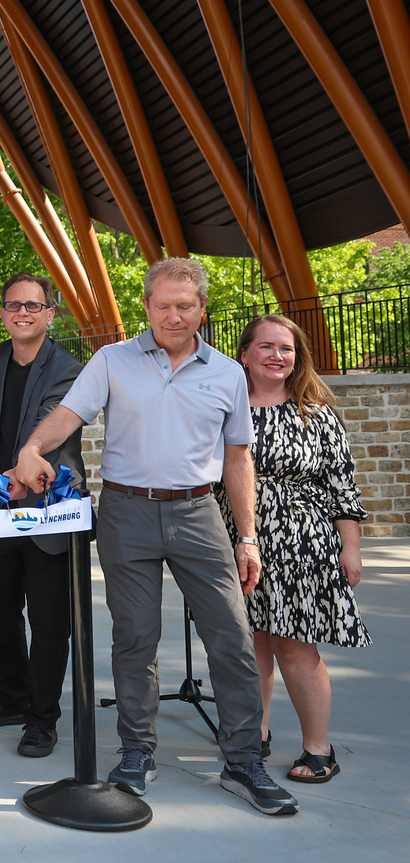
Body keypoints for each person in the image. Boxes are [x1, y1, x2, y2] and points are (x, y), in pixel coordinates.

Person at [11, 256, 299, 816]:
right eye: (163, 305)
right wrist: (30, 449)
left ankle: (243, 762)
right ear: (146, 306)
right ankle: (136, 753)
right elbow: (69, 414)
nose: (173, 315)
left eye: (184, 306)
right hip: (127, 512)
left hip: (198, 515)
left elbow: (239, 457)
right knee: (135, 639)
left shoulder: (227, 373)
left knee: (233, 639)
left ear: (201, 310)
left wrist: (248, 537)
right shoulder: (113, 360)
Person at [217, 313, 369, 784]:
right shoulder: (224, 407)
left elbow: (342, 487)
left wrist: (351, 547)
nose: (277, 356)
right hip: (238, 539)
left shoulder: (316, 413)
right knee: (251, 643)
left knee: (296, 647)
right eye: (266, 347)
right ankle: (254, 735)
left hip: (303, 543)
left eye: (286, 349)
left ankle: (318, 747)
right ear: (244, 354)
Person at [0, 273, 85, 759]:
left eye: (33, 306)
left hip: (46, 511)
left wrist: (20, 473)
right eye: (13, 305)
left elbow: (48, 426)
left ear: (50, 314)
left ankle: (42, 717)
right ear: (2, 313)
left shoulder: (68, 367)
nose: (22, 313)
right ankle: (11, 697)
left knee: (50, 620)